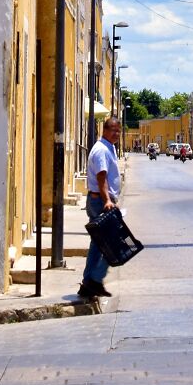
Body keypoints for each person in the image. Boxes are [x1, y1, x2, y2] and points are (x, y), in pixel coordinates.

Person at [78, 116, 122, 300]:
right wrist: (107, 201)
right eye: (113, 130)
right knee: (111, 243)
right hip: (100, 202)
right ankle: (95, 280)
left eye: (119, 131)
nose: (116, 134)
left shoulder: (108, 147)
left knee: (97, 244)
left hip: (99, 200)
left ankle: (87, 284)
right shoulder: (101, 150)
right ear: (104, 130)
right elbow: (101, 178)